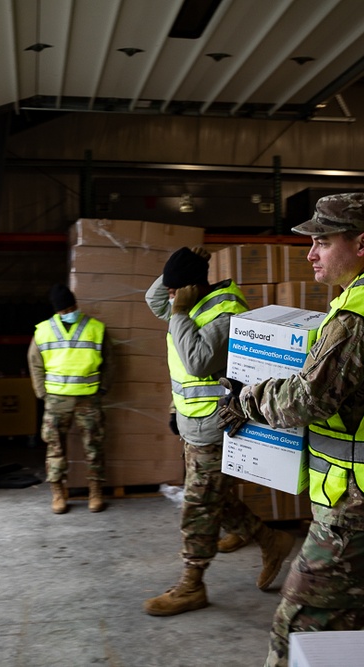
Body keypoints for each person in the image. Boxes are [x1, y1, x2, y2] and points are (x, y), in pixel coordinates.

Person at [217, 193, 364, 666]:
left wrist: (243, 400)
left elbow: (308, 398)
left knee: (297, 634)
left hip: (362, 510)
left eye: (321, 241)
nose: (311, 254)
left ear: (361, 243)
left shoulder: (361, 313)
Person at [142, 246, 294, 617]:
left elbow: (197, 362)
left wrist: (180, 306)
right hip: (190, 424)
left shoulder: (226, 311)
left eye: (176, 290)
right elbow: (153, 297)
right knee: (215, 498)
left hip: (215, 425)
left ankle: (192, 585)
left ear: (192, 288)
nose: (169, 297)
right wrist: (183, 269)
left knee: (198, 506)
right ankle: (270, 539)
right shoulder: (187, 303)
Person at [28, 284, 113, 513]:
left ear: (76, 305)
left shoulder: (96, 328)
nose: (68, 312)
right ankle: (58, 494)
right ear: (56, 310)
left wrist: (102, 389)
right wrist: (43, 394)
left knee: (94, 447)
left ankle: (95, 492)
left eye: (71, 307)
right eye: (64, 309)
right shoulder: (43, 330)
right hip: (56, 401)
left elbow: (110, 362)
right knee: (55, 449)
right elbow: (35, 364)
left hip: (89, 399)